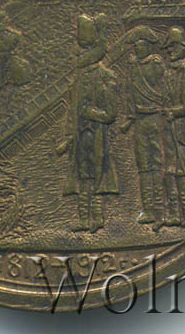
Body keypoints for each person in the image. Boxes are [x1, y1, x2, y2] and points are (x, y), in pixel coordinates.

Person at [58, 13, 118, 233]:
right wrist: (68, 137)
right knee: (83, 177)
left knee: (96, 177)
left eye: (83, 50)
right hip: (80, 137)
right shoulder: (79, 78)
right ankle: (84, 219)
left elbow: (110, 114)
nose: (78, 54)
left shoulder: (105, 77)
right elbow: (72, 112)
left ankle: (98, 219)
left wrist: (90, 113)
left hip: (96, 136)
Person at [122, 25, 165, 232]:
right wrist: (130, 117)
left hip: (155, 117)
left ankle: (160, 209)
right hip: (139, 119)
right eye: (136, 46)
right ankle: (148, 209)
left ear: (148, 47)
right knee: (143, 166)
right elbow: (130, 94)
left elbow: (163, 87)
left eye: (141, 45)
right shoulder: (134, 67)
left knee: (156, 164)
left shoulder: (156, 65)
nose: (137, 49)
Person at [162, 26, 185, 227]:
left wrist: (174, 112)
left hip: (182, 128)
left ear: (183, 47)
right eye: (169, 46)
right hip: (168, 129)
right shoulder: (168, 72)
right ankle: (174, 214)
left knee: (182, 172)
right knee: (169, 171)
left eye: (173, 45)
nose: (170, 50)